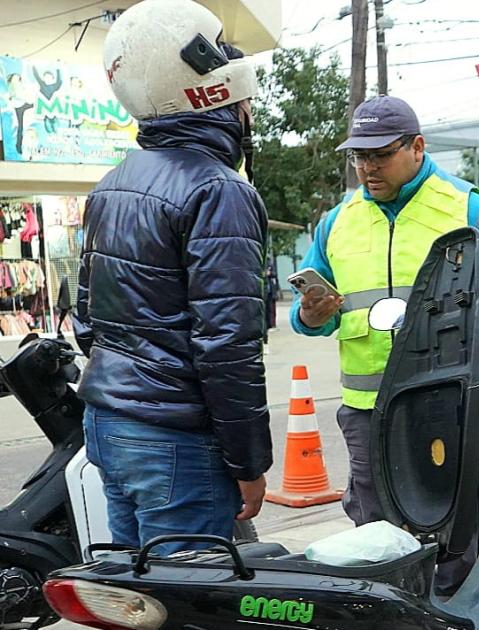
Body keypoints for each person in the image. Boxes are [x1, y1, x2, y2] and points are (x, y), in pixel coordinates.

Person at [75, 0, 270, 554]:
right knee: (191, 600)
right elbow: (227, 344)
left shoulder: (112, 183)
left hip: (109, 426)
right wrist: (249, 462)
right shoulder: (219, 190)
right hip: (176, 438)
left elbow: (89, 322)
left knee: (140, 597)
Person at [291, 95, 479, 527]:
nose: (368, 168)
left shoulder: (468, 209)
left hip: (448, 401)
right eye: (359, 158)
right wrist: (311, 314)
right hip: (367, 408)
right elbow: (310, 315)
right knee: (376, 530)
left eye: (382, 155)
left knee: (455, 524)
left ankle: (453, 595)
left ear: (417, 147)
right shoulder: (336, 222)